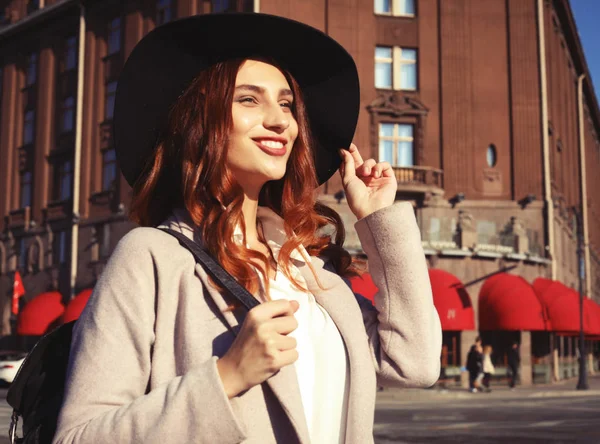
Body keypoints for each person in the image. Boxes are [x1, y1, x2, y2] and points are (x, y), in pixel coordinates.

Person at [53, 13, 442, 444]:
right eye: (249, 100)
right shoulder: (151, 257)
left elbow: (416, 363)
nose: (280, 120)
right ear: (201, 122)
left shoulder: (308, 269)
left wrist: (378, 219)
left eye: (287, 104)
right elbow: (78, 436)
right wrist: (225, 378)